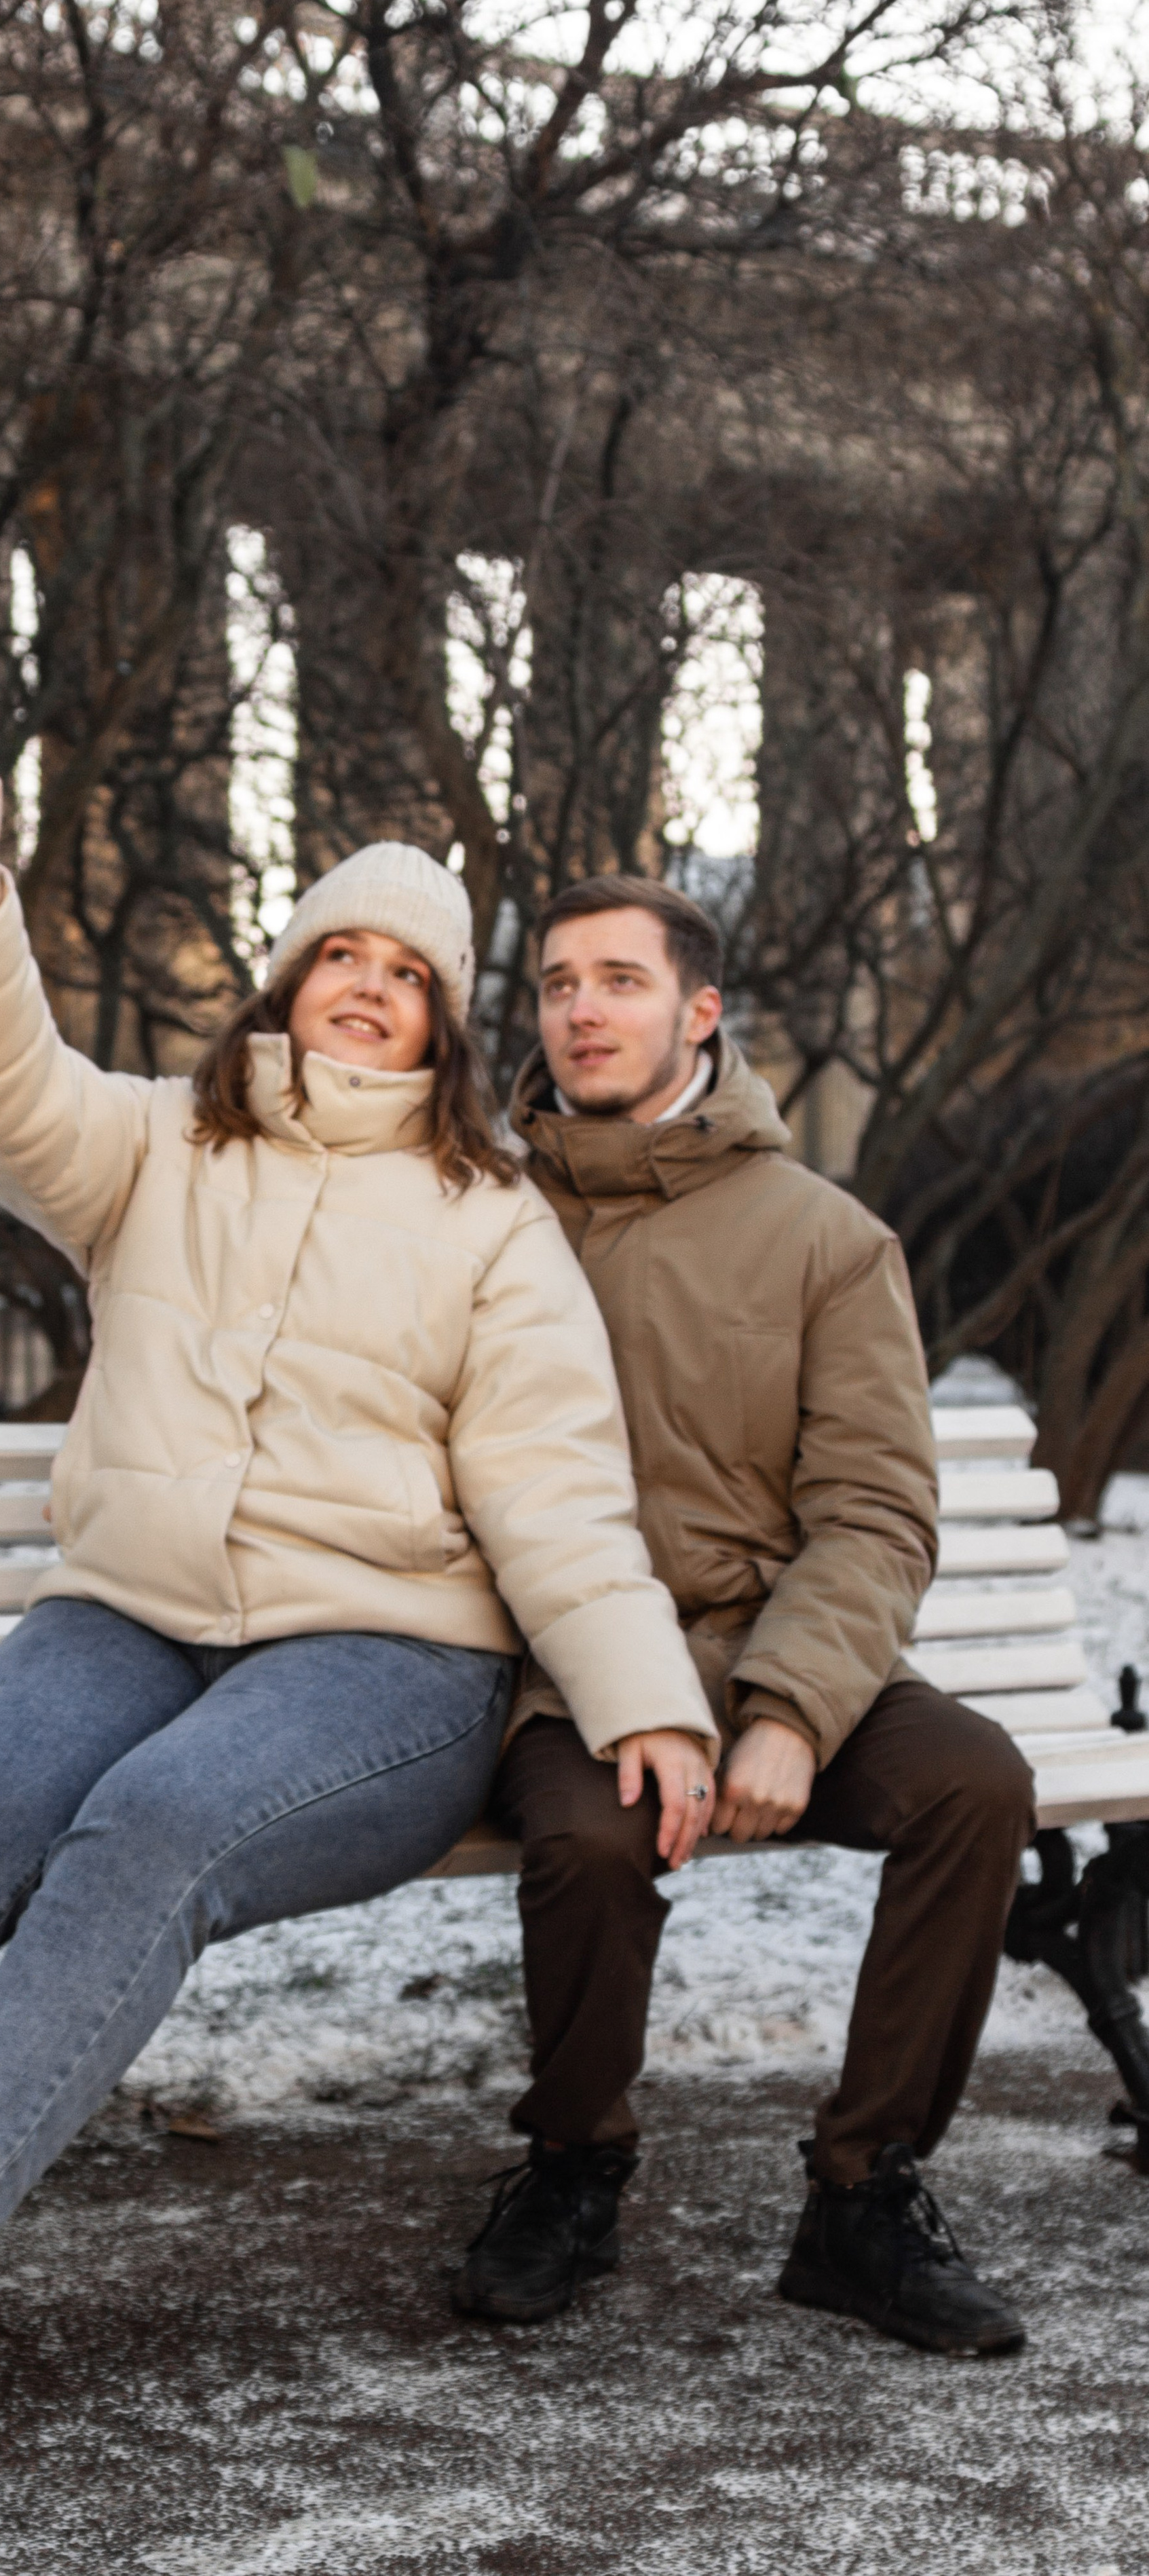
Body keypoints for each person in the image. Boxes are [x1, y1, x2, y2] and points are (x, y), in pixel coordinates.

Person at [0, 683, 717, 2459]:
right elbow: (6, 1096)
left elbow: (557, 1494)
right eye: (344, 953)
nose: (370, 985)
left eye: (408, 969)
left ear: (445, 1021)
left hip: (383, 1657)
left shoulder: (491, 1220)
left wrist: (643, 1696)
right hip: (131, 1612)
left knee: (151, 1826)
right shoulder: (168, 1140)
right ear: (292, 971)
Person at [453, 873, 1036, 2357]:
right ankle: (574, 2167)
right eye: (559, 982)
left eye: (620, 981)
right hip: (566, 1668)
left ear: (697, 1012)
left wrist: (786, 1710)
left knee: (973, 1785)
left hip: (770, 1642)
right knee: (588, 1837)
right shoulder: (480, 1207)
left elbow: (875, 1510)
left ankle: (861, 2191)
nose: (581, 1008)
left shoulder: (823, 1238)